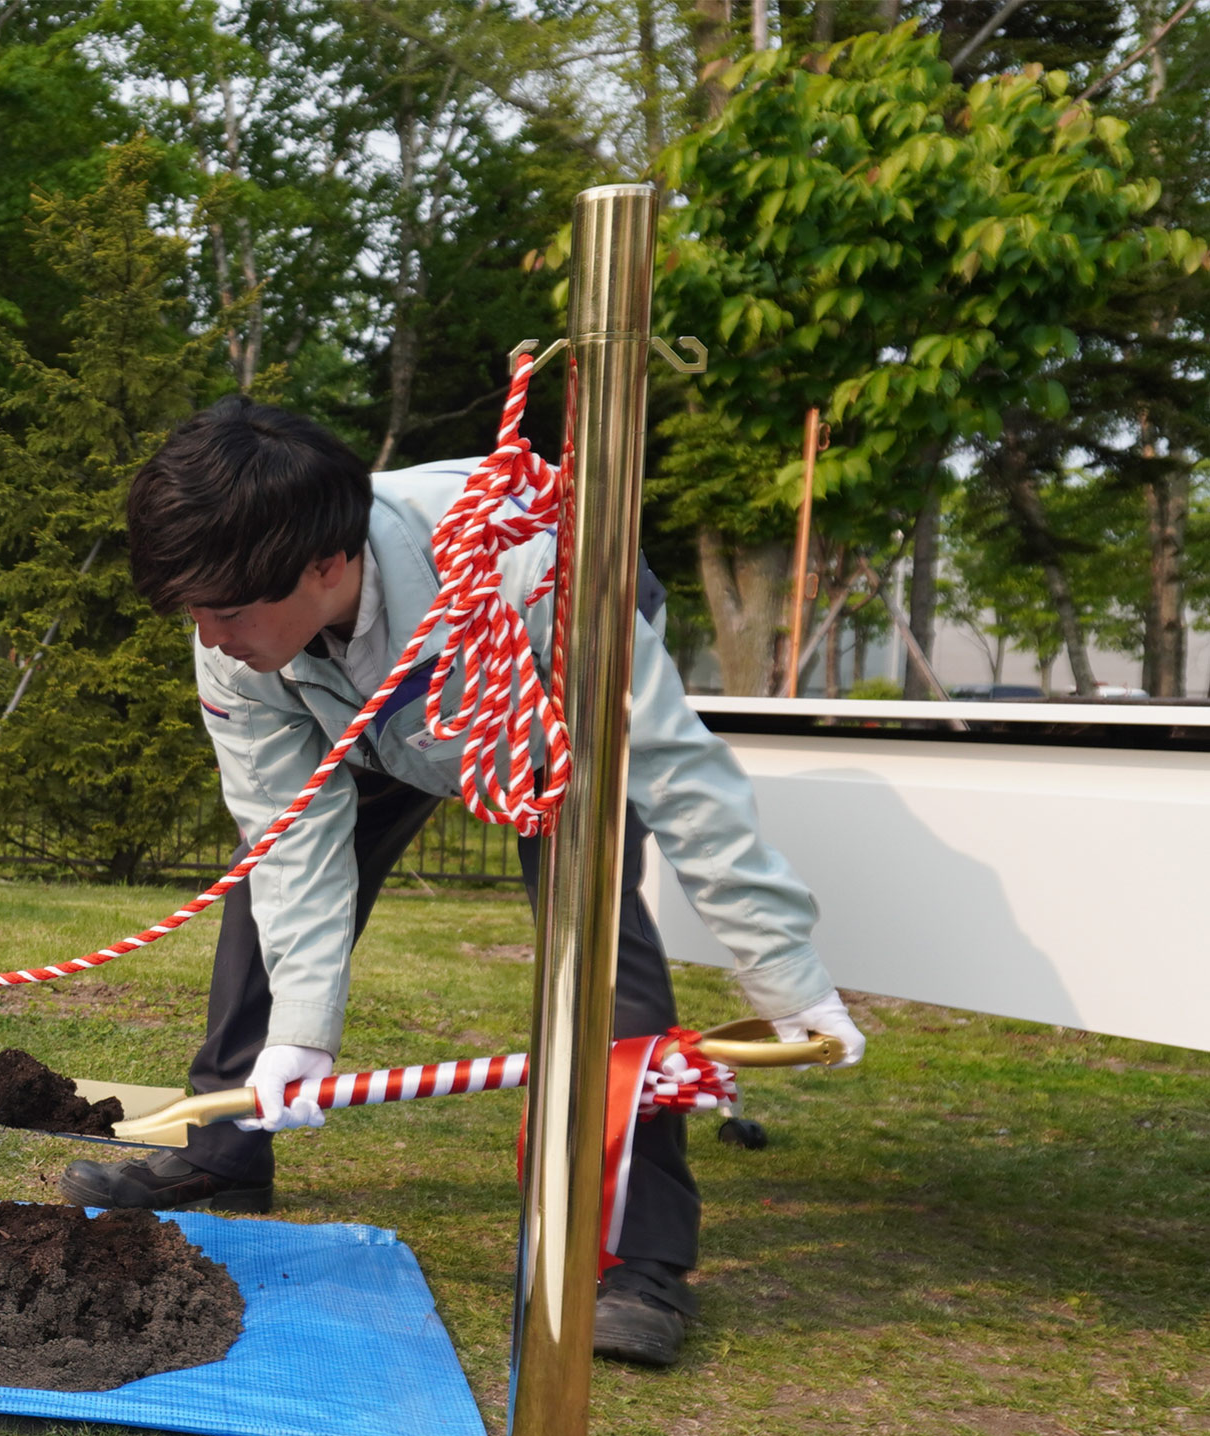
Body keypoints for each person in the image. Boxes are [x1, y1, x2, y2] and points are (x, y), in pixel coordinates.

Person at [60, 398, 864, 1369]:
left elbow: (681, 779)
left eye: (225, 612)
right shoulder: (235, 633)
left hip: (538, 701)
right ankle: (226, 1147)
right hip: (381, 720)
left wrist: (786, 978)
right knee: (262, 902)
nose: (207, 633)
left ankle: (637, 1257)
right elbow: (290, 841)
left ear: (328, 564)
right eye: (192, 611)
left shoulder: (531, 575)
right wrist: (303, 1036)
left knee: (599, 954)